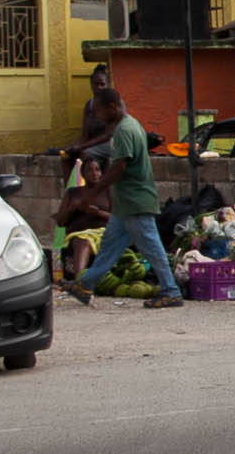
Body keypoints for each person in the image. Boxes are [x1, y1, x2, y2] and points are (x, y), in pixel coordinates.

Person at [65, 89, 183, 308]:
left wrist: (93, 191)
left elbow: (119, 165)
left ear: (112, 107)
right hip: (125, 203)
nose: (97, 117)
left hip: (136, 200)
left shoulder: (125, 130)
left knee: (151, 247)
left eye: (99, 111)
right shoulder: (130, 125)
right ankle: (86, 285)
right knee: (110, 246)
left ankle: (170, 290)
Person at [53, 158, 111, 280]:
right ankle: (80, 280)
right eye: (89, 170)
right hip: (78, 234)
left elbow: (118, 218)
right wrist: (72, 208)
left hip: (102, 232)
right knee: (82, 241)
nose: (94, 173)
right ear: (83, 174)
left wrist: (98, 213)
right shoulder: (73, 193)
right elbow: (60, 221)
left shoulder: (108, 192)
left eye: (97, 170)